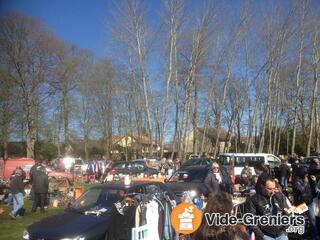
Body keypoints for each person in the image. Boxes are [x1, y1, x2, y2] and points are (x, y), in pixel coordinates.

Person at [292, 166, 319, 240]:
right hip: (301, 203)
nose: (307, 175)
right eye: (305, 173)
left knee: (313, 219)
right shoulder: (296, 179)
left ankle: (314, 236)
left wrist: (314, 182)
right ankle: (302, 237)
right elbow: (299, 190)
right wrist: (305, 182)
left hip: (308, 202)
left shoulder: (307, 178)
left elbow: (312, 190)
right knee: (302, 221)